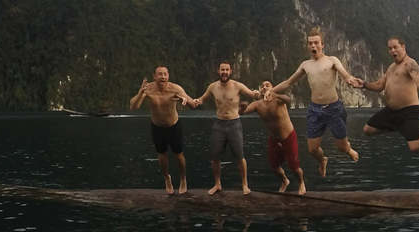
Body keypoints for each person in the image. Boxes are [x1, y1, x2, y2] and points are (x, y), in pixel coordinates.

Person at [272, 27, 361, 177]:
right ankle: (322, 161)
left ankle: (348, 149)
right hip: (315, 110)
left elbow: (344, 74)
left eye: (316, 43)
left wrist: (349, 79)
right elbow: (288, 83)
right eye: (310, 43)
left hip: (333, 108)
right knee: (312, 150)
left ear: (322, 45)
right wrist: (272, 91)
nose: (313, 46)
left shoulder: (332, 60)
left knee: (342, 147)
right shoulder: (305, 65)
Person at [190, 62, 260, 195]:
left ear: (231, 71)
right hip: (219, 124)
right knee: (215, 156)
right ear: (218, 71)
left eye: (227, 70)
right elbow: (202, 99)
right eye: (222, 70)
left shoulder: (237, 85)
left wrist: (257, 93)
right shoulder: (213, 87)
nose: (225, 72)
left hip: (234, 123)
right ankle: (217, 184)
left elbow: (253, 95)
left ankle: (245, 184)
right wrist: (194, 101)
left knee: (240, 155)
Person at [361, 36, 419, 152]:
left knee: (416, 149)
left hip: (408, 112)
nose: (392, 51)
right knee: (367, 130)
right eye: (390, 48)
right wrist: (364, 84)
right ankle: (397, 127)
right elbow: (380, 85)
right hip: (390, 111)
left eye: (395, 47)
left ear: (403, 47)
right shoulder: (391, 67)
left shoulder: (410, 64)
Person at [129, 66, 193, 195]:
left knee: (178, 155)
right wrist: (140, 93)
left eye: (165, 74)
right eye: (160, 74)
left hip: (174, 126)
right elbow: (133, 107)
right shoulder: (148, 89)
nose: (162, 77)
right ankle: (167, 179)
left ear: (168, 75)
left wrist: (184, 99)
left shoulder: (175, 88)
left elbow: (193, 103)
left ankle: (183, 179)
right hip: (157, 127)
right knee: (162, 156)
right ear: (155, 76)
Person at [241, 79, 306, 195]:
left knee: (294, 167)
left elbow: (288, 100)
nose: (264, 87)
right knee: (274, 166)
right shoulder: (258, 105)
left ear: (272, 88)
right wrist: (242, 107)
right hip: (274, 140)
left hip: (288, 137)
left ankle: (301, 183)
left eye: (267, 85)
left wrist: (276, 94)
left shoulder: (278, 100)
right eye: (262, 86)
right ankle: (285, 181)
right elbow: (242, 112)